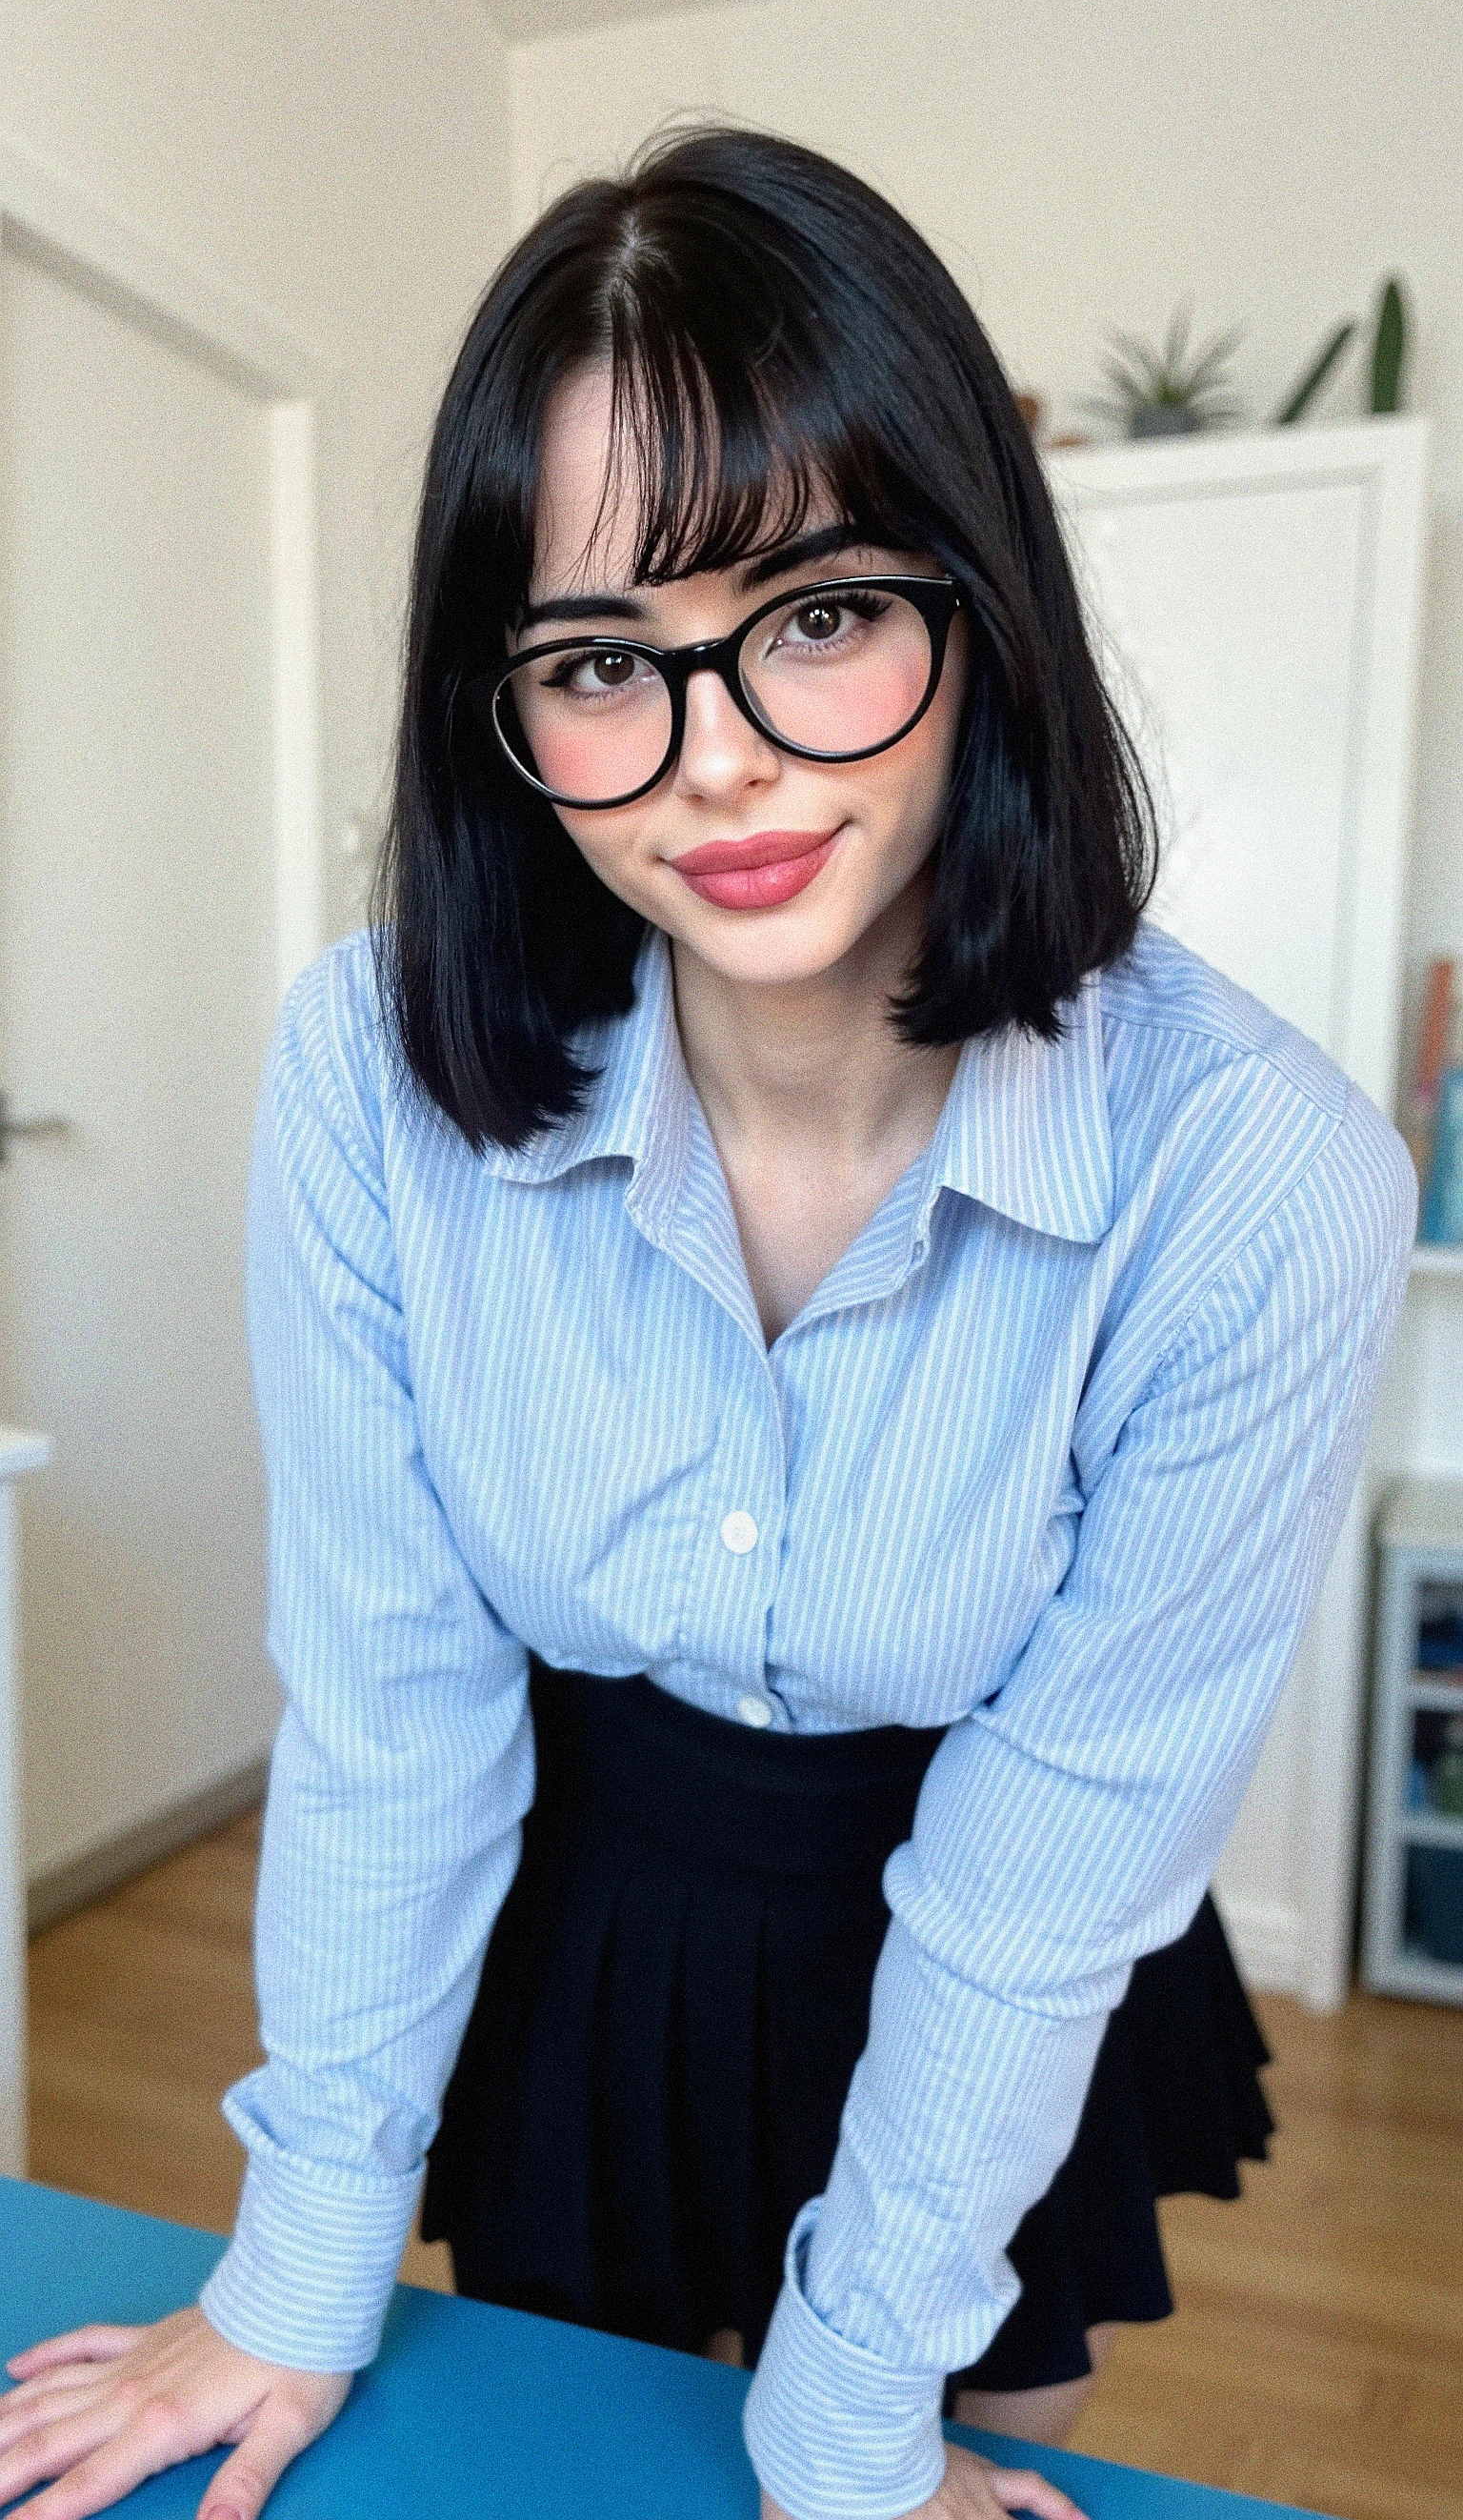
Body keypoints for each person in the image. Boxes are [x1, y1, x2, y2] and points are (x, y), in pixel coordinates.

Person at [0, 126, 1416, 2520]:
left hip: (988, 1925)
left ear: (981, 604)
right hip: (585, 1893)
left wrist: (862, 2425)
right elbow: (392, 1703)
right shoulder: (371, 1071)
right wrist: (291, 2264)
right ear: (501, 712)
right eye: (594, 664)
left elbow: (1044, 1867)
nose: (722, 754)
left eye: (823, 613)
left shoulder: (1262, 1177)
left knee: (951, 2435)